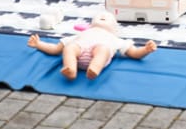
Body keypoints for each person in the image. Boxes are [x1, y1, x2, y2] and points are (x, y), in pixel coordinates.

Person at [28, 12, 157, 80]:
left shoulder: (114, 38)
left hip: (98, 54)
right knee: (70, 47)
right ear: (90, 25)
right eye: (99, 17)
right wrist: (39, 44)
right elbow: (56, 49)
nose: (103, 16)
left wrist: (145, 50)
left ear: (115, 29)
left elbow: (134, 53)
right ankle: (70, 69)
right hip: (79, 54)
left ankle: (95, 68)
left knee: (102, 49)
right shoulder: (81, 35)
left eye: (107, 18)